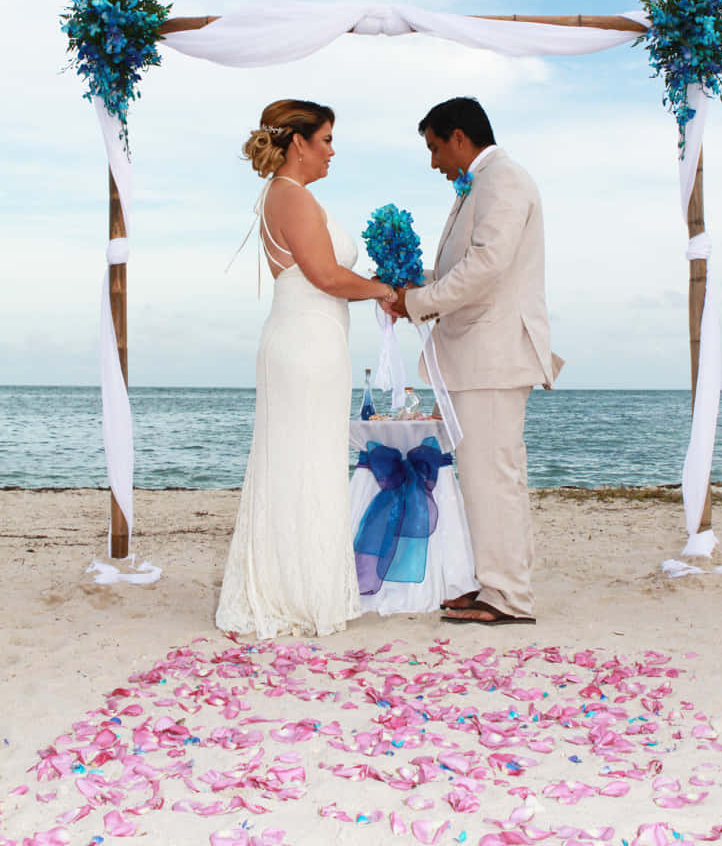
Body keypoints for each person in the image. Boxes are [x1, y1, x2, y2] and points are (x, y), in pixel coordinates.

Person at [216, 99, 397, 639]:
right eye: (326, 140)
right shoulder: (290, 197)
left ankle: (294, 583)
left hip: (311, 341)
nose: (332, 151)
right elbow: (324, 274)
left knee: (305, 461)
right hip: (305, 345)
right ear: (299, 143)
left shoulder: (289, 196)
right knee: (303, 462)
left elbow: (328, 274)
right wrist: (386, 289)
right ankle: (292, 592)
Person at [386, 97, 562, 626]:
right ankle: (493, 585)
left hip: (495, 356)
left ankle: (509, 597)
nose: (435, 162)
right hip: (477, 357)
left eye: (436, 148)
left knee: (495, 476)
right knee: (482, 477)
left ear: (460, 138)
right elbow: (470, 267)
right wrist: (420, 290)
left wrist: (417, 302)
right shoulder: (480, 185)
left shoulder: (503, 179)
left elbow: (486, 266)